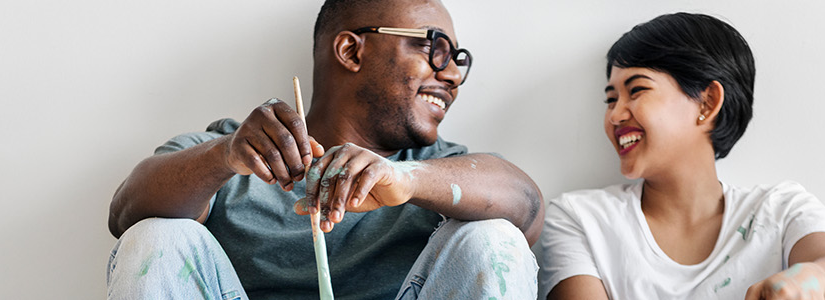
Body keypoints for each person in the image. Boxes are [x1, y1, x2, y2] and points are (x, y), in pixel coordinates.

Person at [106, 0, 544, 298]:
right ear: (351, 50)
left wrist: (406, 180)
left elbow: (526, 205)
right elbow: (125, 213)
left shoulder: (441, 171)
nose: (450, 76)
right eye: (434, 49)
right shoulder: (230, 150)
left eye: (457, 59)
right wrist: (225, 156)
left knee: (492, 233)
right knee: (157, 232)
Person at [536, 13, 825, 300]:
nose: (616, 114)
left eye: (636, 91)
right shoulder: (579, 219)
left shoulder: (782, 210)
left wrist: (812, 280)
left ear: (707, 103)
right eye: (610, 99)